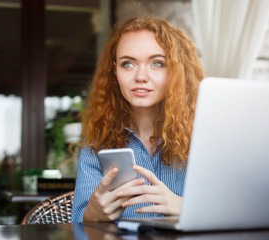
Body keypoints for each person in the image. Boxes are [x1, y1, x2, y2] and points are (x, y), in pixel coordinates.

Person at [71, 17, 204, 222]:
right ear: (114, 71)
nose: (141, 76)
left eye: (157, 63)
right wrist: (94, 213)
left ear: (177, 71)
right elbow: (79, 224)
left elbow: (240, 213)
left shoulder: (204, 141)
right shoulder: (96, 146)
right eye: (128, 64)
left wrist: (185, 207)